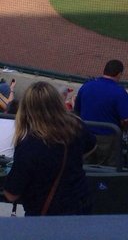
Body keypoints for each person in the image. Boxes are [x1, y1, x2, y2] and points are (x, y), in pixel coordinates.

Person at [3, 81, 95, 216]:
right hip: (80, 207)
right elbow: (91, 146)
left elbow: (11, 194)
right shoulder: (77, 126)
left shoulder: (29, 146)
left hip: (47, 217)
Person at [74, 59, 128, 166]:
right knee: (108, 169)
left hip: (86, 133)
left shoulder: (87, 85)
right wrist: (124, 130)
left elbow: (76, 110)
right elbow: (126, 119)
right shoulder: (119, 91)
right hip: (108, 137)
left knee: (85, 166)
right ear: (119, 74)